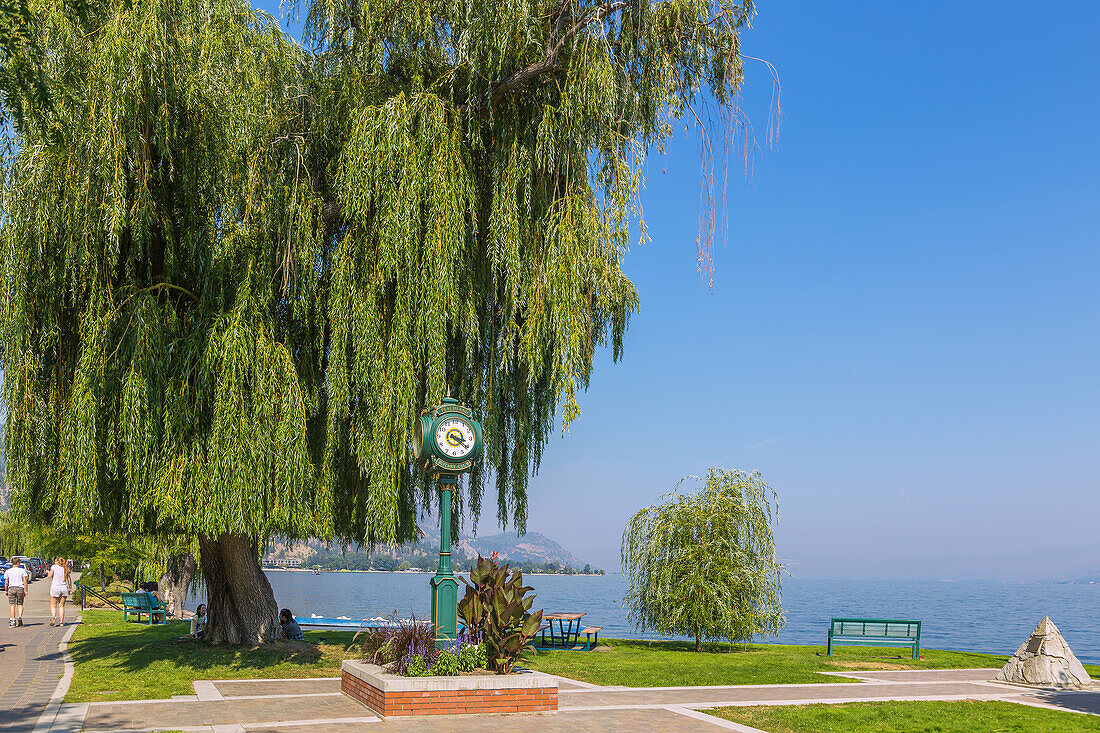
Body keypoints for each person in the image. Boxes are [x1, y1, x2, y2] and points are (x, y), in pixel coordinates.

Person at [4, 557, 31, 628]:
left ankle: (13, 620)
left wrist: (6, 590)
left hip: (11, 588)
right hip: (20, 588)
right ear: (18, 563)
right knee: (20, 604)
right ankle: (19, 617)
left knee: (12, 604)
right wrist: (26, 591)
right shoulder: (22, 571)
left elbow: (6, 582)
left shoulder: (8, 571)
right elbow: (25, 581)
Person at [46, 556, 73, 626]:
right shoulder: (66, 568)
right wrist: (70, 588)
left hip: (55, 588)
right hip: (64, 588)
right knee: (61, 606)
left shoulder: (54, 567)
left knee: (53, 605)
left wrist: (48, 572)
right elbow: (69, 579)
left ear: (57, 562)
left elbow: (49, 576)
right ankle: (61, 622)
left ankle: (54, 616)